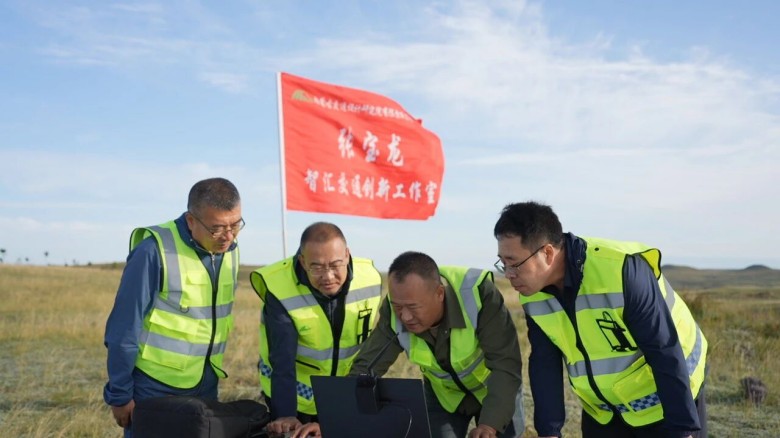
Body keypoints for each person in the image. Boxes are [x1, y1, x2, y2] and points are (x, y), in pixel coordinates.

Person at [493, 201, 708, 438]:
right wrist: (549, 432)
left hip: (670, 399)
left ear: (547, 253)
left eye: (515, 263)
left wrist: (682, 428)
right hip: (604, 411)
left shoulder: (621, 271)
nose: (509, 274)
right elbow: (545, 364)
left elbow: (663, 350)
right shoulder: (531, 295)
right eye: (503, 264)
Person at [294, 251, 525, 438]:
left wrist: (489, 425)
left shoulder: (478, 295)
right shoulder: (397, 306)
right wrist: (332, 423)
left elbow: (505, 365)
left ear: (439, 294)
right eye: (398, 307)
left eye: (413, 308)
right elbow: (365, 368)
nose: (404, 317)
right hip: (444, 397)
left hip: (495, 391)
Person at [103, 177, 244, 436]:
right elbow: (124, 327)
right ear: (191, 221)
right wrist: (120, 395)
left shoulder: (230, 249)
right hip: (154, 388)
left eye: (235, 225)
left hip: (206, 382)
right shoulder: (153, 251)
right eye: (217, 229)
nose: (228, 237)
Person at [249, 222, 383, 436]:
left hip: (344, 395)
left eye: (335, 265)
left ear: (347, 255)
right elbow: (282, 362)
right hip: (294, 396)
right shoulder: (280, 290)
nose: (328, 277)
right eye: (317, 267)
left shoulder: (370, 279)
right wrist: (285, 414)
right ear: (303, 261)